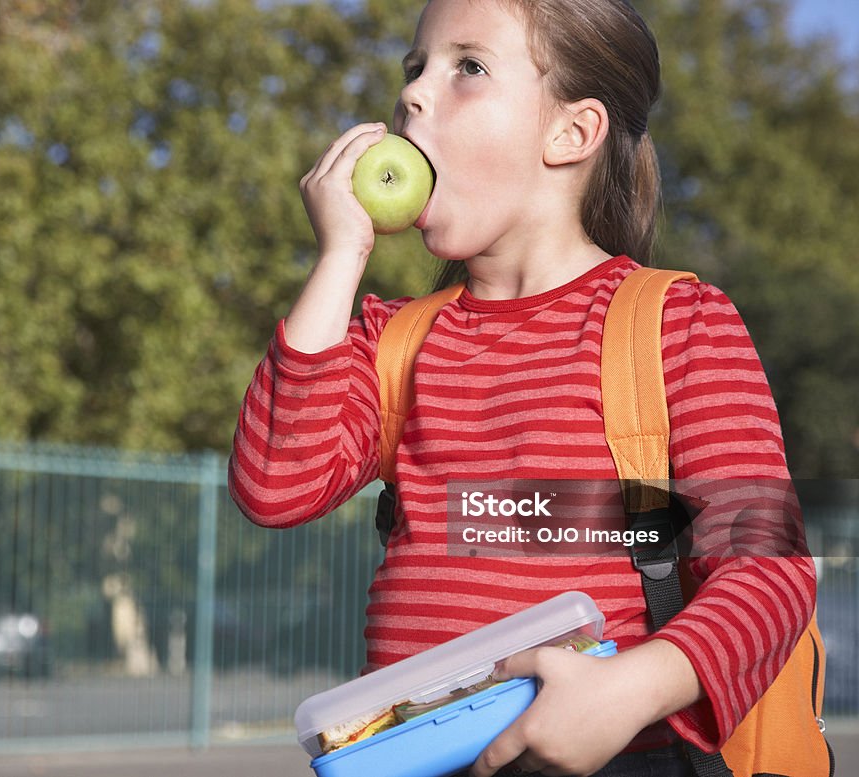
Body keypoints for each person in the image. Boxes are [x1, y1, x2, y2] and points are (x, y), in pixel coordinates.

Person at [228, 0, 816, 774]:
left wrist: (630, 690)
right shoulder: (392, 340)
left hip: (625, 753)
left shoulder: (676, 323)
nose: (412, 93)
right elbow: (276, 486)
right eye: (414, 68)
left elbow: (768, 571)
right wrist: (341, 257)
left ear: (570, 133)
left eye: (467, 66)